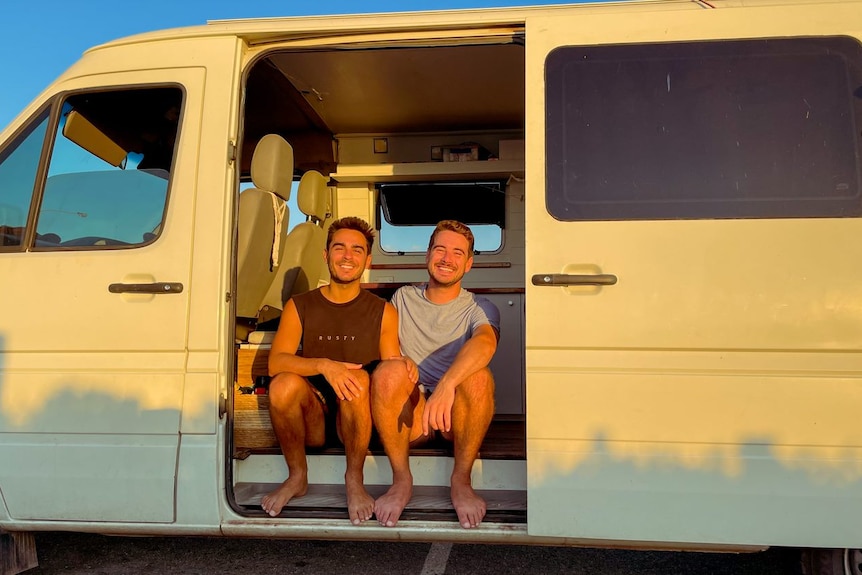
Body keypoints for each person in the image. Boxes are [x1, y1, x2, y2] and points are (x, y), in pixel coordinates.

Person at [261, 216, 417, 524]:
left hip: (359, 418)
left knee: (357, 378)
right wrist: (323, 365)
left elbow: (389, 368)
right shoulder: (300, 304)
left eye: (357, 250)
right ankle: (297, 476)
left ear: (367, 259)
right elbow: (276, 362)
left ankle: (354, 480)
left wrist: (405, 362)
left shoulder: (384, 311)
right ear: (326, 254)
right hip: (315, 415)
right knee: (281, 385)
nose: (348, 256)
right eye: (340, 248)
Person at [371, 220, 500, 529]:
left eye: (457, 253)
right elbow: (388, 350)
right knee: (387, 372)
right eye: (440, 249)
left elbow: (485, 342)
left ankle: (461, 480)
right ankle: (401, 480)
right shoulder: (402, 298)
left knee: (479, 377)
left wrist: (446, 386)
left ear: (468, 264)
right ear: (427, 254)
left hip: (455, 417)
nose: (447, 258)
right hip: (413, 416)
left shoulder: (479, 307)